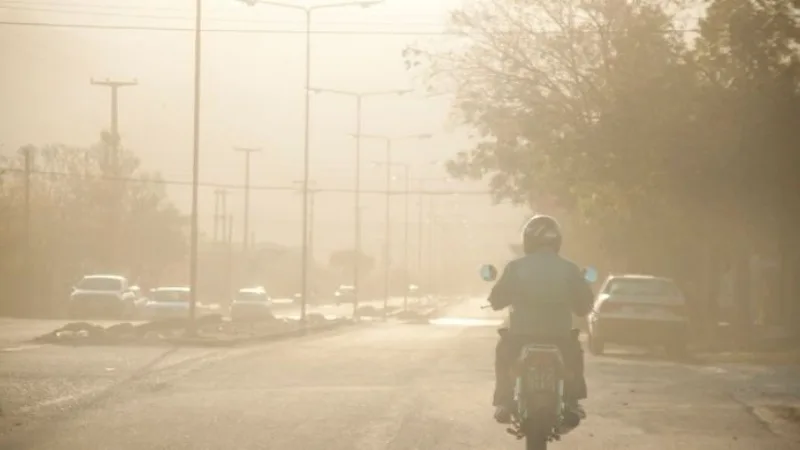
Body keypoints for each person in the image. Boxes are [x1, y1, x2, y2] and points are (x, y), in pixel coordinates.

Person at [488, 214, 593, 424]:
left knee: (504, 352)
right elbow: (584, 304)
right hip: (559, 335)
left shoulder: (515, 267)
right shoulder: (570, 268)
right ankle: (572, 402)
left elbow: (496, 298)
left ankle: (505, 402)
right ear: (557, 241)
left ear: (528, 240)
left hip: (521, 334)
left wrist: (499, 300)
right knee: (574, 355)